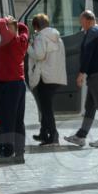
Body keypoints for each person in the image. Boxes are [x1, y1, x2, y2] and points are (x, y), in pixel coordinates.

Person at [65, 10, 98, 148]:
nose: (82, 26)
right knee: (90, 107)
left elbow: (87, 54)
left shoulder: (91, 32)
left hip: (97, 74)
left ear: (87, 20)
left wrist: (81, 73)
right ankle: (81, 136)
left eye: (82, 22)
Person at [0, 16, 29, 165]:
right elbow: (24, 28)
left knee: (6, 121)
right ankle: (19, 154)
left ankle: (6, 154)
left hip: (8, 85)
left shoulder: (9, 40)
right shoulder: (22, 39)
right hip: (19, 84)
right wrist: (15, 24)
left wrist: (7, 20)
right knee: (18, 121)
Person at [27, 13, 67, 146]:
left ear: (36, 26)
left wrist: (28, 47)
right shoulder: (57, 37)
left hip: (45, 77)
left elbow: (39, 55)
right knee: (45, 107)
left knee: (46, 109)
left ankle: (54, 135)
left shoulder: (41, 37)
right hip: (56, 76)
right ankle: (44, 133)